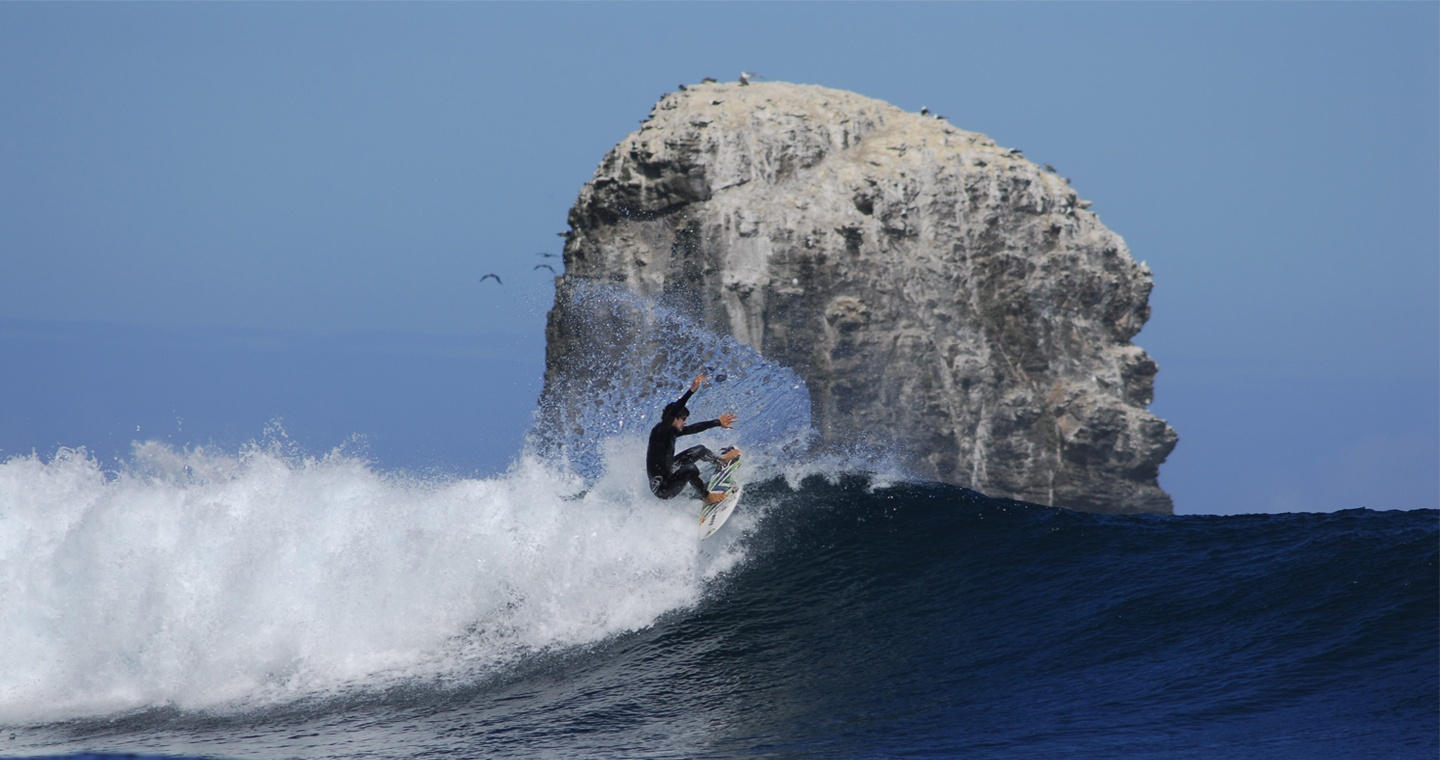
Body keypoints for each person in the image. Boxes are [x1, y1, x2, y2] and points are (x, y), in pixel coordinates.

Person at [647, 373, 739, 505]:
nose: (684, 422)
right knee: (690, 469)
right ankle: (707, 497)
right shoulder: (660, 431)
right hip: (663, 489)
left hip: (669, 471)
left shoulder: (672, 432)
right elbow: (674, 410)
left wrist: (718, 422)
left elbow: (694, 428)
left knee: (700, 449)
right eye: (683, 419)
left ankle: (720, 461)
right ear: (673, 419)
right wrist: (691, 391)